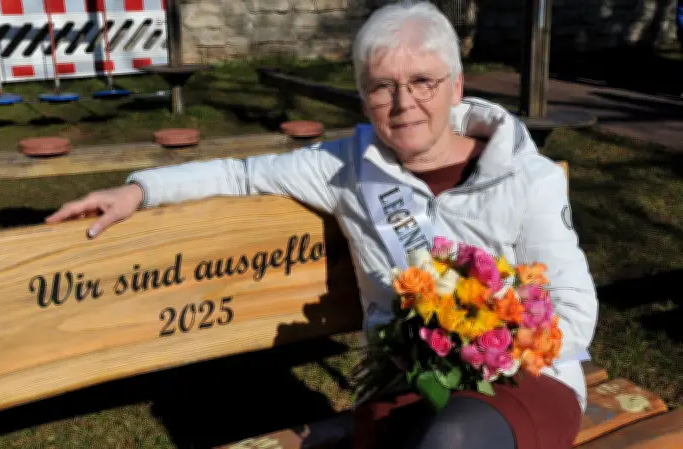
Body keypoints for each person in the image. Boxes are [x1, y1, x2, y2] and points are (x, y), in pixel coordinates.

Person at [46, 1, 598, 447]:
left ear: (456, 87)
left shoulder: (527, 177)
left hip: (523, 380)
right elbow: (241, 174)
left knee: (451, 437)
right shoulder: (345, 168)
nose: (403, 102)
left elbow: (574, 313)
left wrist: (478, 343)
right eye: (382, 86)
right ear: (363, 97)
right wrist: (140, 190)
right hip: (407, 382)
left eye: (422, 81)